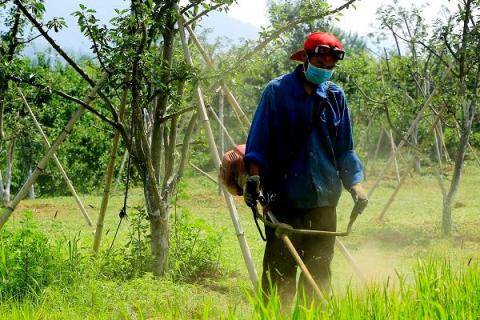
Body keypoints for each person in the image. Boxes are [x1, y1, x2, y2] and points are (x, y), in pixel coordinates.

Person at [243, 31, 367, 305]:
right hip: (285, 199)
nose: (325, 71)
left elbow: (345, 150)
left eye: (330, 67)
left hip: (324, 201)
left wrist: (356, 187)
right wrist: (253, 177)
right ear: (306, 59)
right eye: (320, 65)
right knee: (278, 274)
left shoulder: (336, 97)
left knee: (319, 273)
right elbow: (259, 142)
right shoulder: (277, 92)